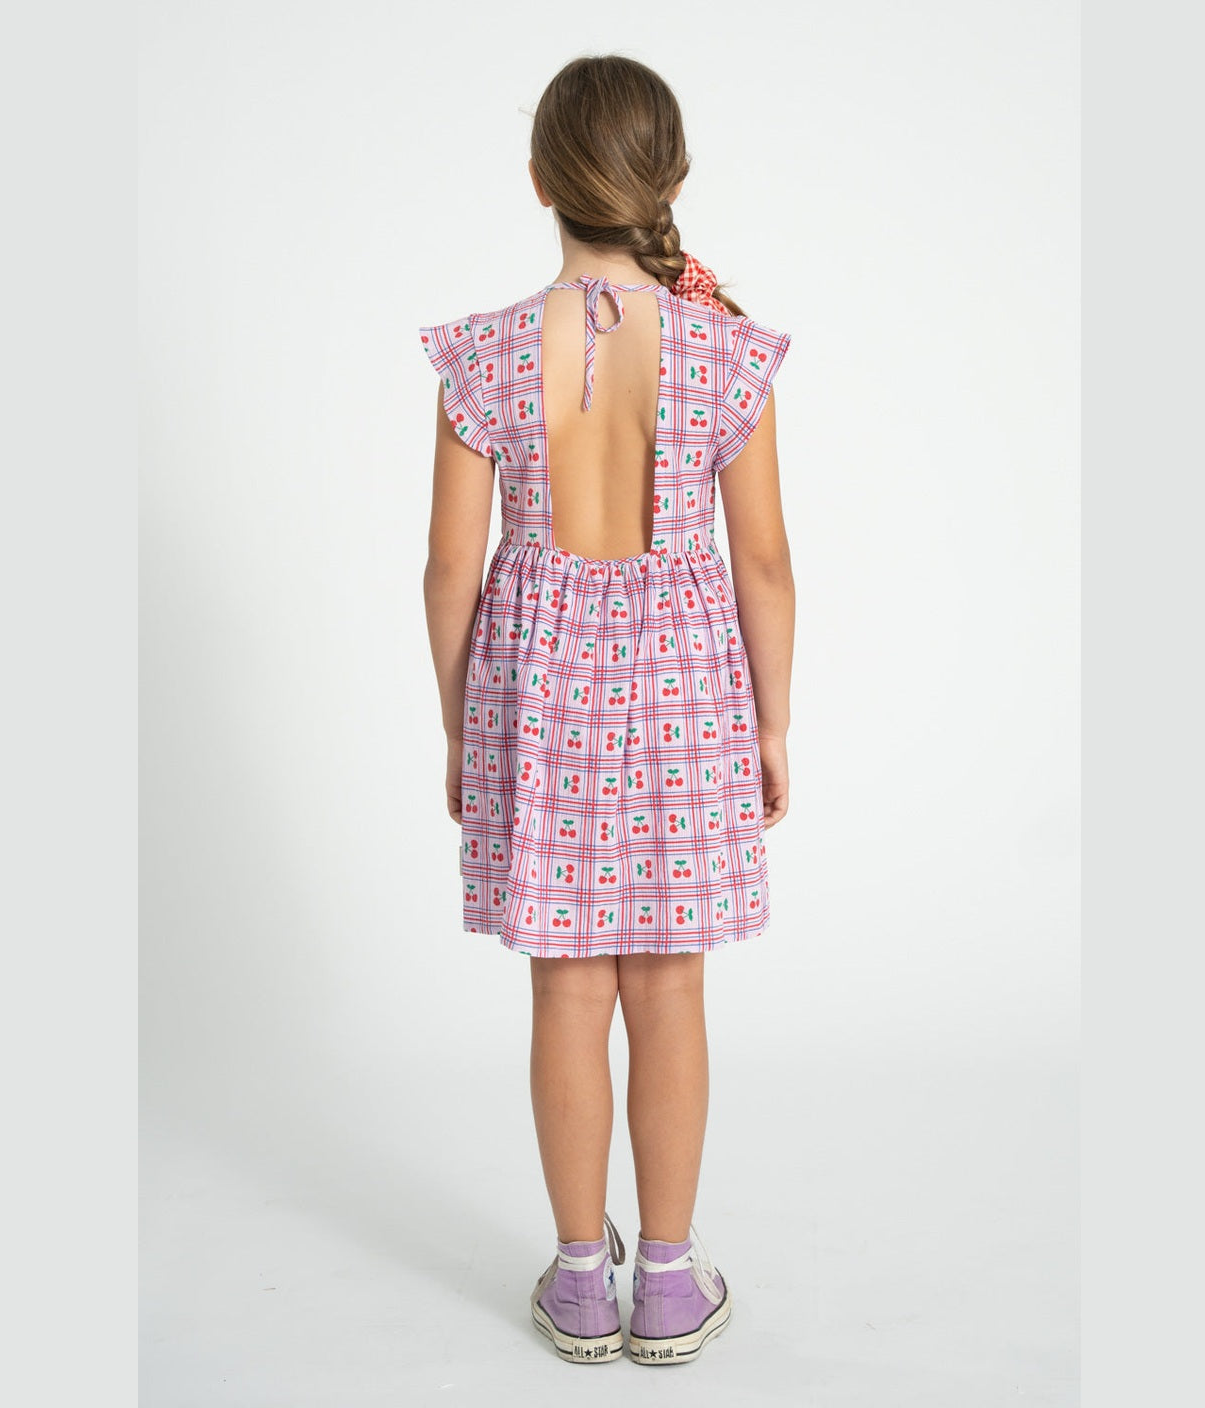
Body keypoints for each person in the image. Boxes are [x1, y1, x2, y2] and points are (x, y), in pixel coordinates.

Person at [419, 54, 795, 1367]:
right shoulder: (726, 350)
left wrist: (462, 726)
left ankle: (582, 1278)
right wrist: (771, 725)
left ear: (539, 182)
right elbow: (763, 565)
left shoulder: (481, 357)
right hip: (687, 693)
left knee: (569, 992)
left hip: (540, 697)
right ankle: (670, 1283)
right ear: (671, 179)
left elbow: (449, 569)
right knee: (671, 985)